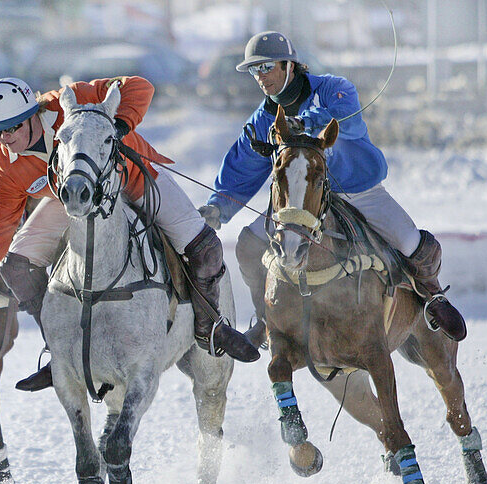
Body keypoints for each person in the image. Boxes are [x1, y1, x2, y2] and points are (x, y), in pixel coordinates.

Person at [0, 76, 259, 392]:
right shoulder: (5, 163)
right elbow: (0, 224)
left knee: (205, 247)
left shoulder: (72, 99)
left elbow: (140, 87)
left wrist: (122, 124)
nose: (5, 138)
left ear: (32, 114)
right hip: (71, 198)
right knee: (16, 265)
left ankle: (211, 329)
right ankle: (60, 349)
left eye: (12, 127)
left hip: (132, 179)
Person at [200, 31, 467, 346]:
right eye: (254, 70)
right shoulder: (263, 120)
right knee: (247, 244)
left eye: (267, 66)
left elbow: (347, 120)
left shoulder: (334, 90)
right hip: (302, 205)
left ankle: (433, 296)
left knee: (411, 243)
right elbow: (241, 167)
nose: (261, 77)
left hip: (358, 191)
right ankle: (267, 318)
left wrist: (308, 121)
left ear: (289, 65)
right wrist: (218, 207)